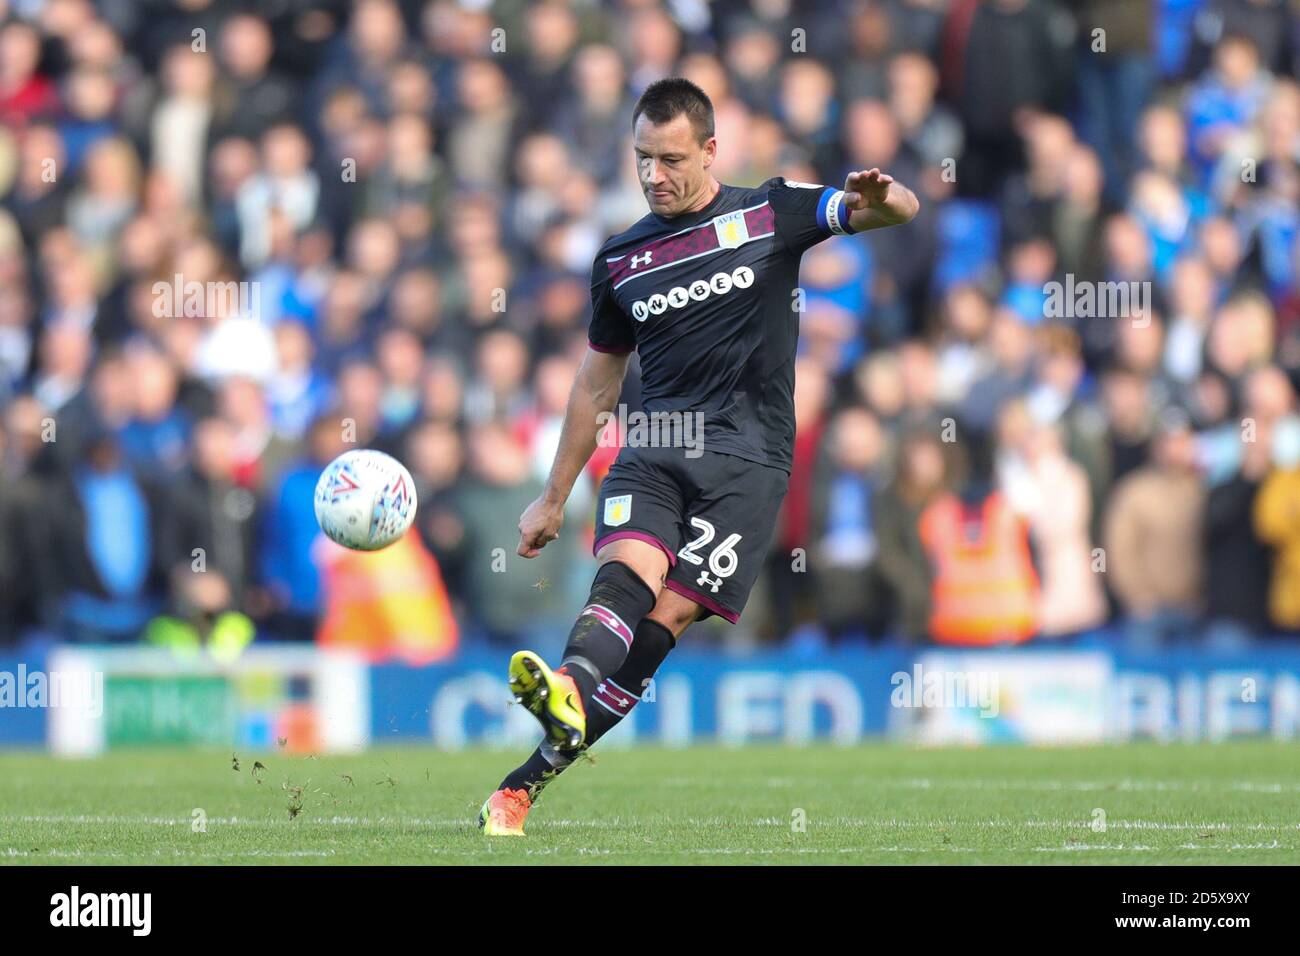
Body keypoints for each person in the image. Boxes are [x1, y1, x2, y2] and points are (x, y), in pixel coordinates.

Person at [478, 77, 919, 835]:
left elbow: (892, 212)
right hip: (655, 446)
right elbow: (596, 384)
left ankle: (521, 784)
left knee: (667, 621)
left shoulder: (769, 212)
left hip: (749, 461)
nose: (654, 175)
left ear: (712, 150)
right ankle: (569, 689)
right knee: (625, 575)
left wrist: (883, 194)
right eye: (642, 158)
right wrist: (553, 496)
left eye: (672, 158)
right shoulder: (619, 259)